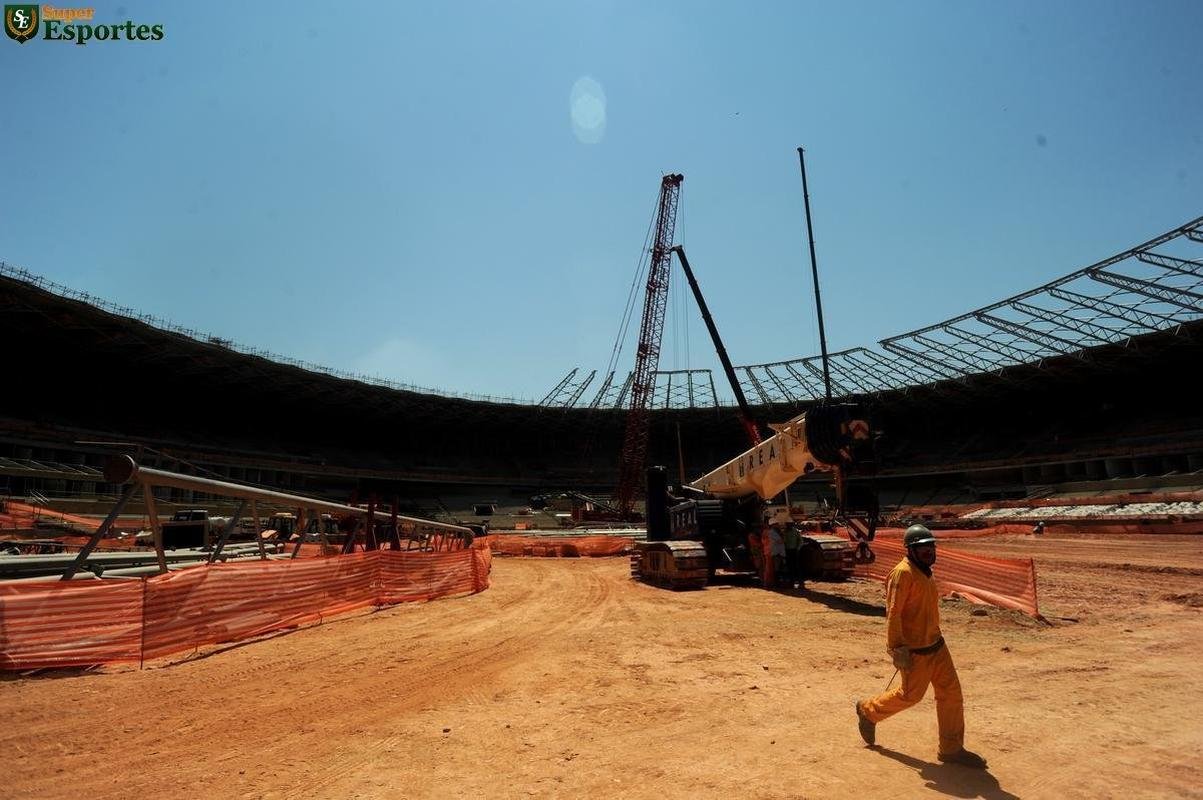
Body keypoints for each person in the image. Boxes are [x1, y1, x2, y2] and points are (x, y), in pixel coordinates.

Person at [855, 524, 988, 769]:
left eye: (931, 547)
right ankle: (868, 711)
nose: (929, 552)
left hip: (937, 645)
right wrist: (897, 648)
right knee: (910, 697)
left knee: (951, 695)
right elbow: (893, 614)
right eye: (922, 548)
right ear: (911, 550)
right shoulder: (902, 574)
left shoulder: (925, 570)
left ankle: (951, 749)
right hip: (915, 651)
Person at [783, 521, 804, 590]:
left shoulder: (795, 531)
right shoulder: (784, 532)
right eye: (787, 524)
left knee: (796, 567)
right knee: (789, 567)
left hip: (794, 550)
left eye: (789, 524)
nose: (788, 525)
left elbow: (800, 541)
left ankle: (801, 583)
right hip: (787, 551)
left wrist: (797, 549)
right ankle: (791, 583)